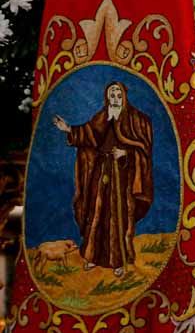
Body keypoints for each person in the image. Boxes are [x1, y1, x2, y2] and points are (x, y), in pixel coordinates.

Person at [53, 81, 153, 276]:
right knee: (96, 213)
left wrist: (126, 153)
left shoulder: (137, 119)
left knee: (118, 217)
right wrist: (68, 130)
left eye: (118, 95)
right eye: (111, 95)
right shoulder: (102, 117)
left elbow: (144, 150)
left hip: (123, 176)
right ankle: (93, 256)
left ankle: (119, 261)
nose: (114, 98)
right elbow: (89, 134)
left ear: (124, 96)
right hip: (101, 172)